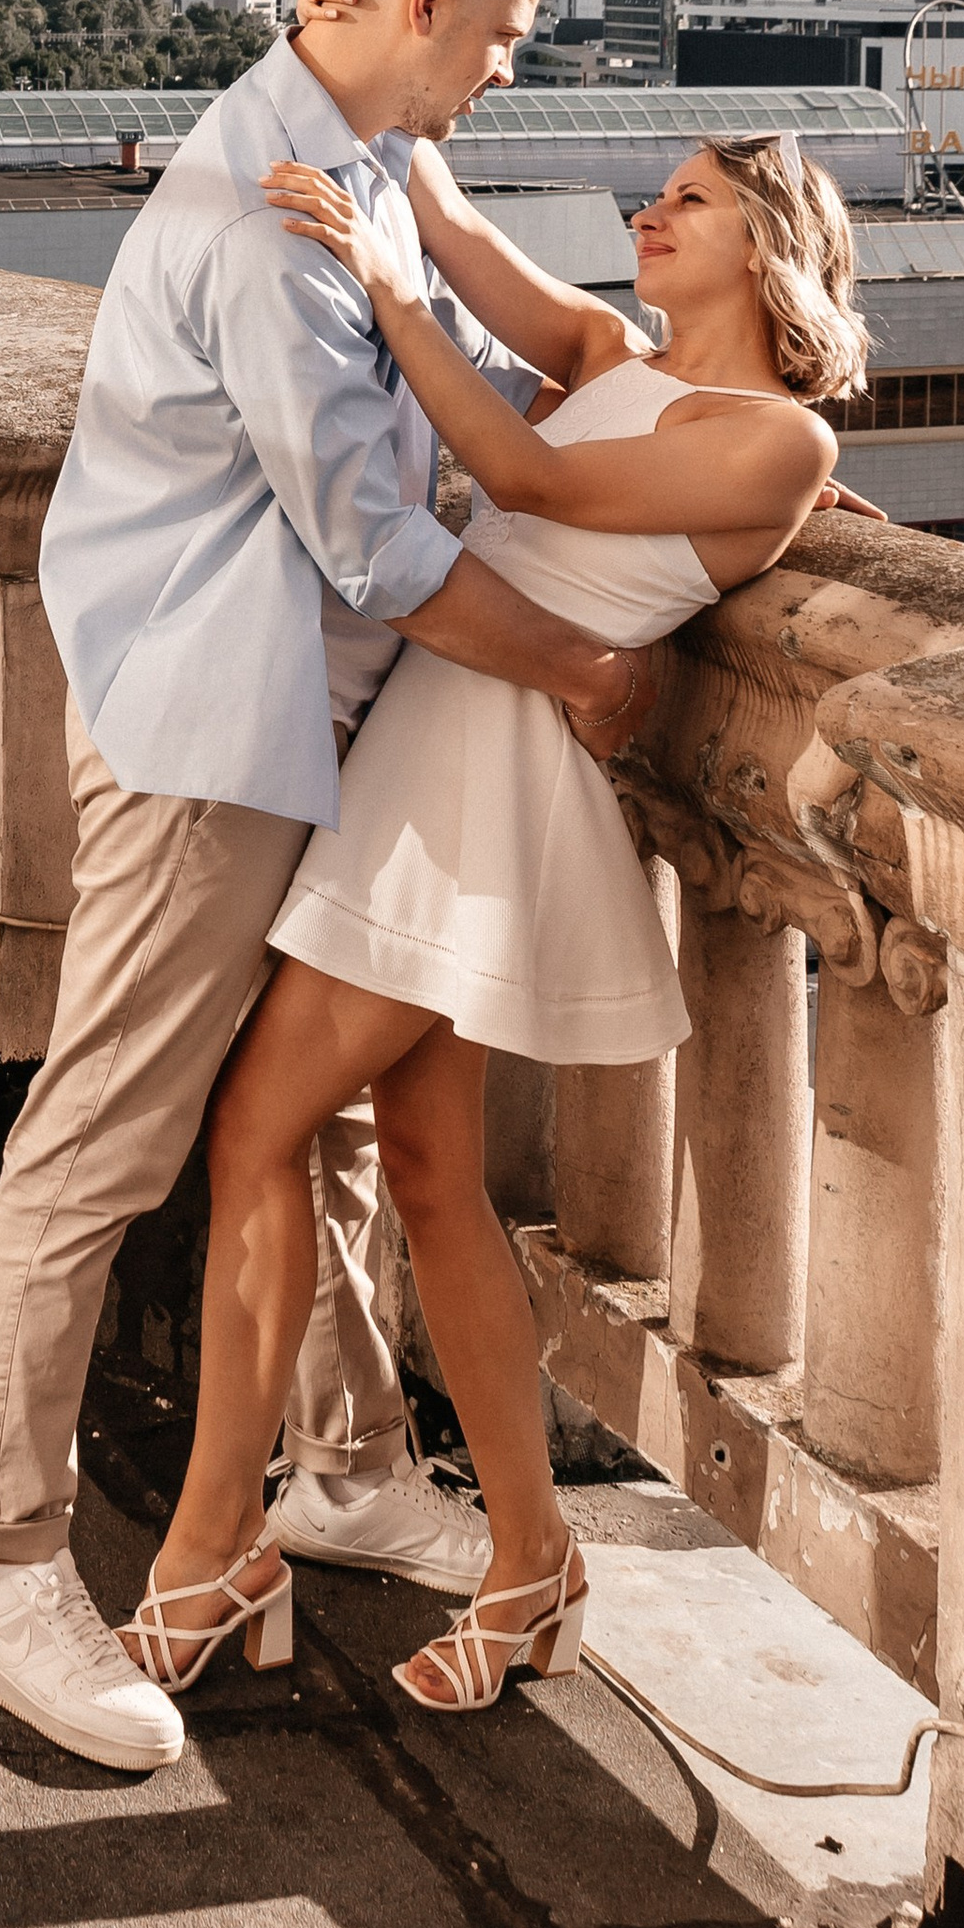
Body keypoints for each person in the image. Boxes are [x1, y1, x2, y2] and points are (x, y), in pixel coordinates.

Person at [0, 0, 661, 1773]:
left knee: (320, 1116)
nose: (510, 70)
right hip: (213, 736)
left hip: (304, 724)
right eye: (506, 34)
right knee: (103, 1140)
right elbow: (377, 543)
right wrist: (585, 670)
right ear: (424, 3)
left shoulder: (377, 167)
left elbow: (505, 385)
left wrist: (735, 465)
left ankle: (341, 1466)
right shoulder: (275, 217)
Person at [121, 95, 867, 1722]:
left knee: (256, 1127)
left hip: (483, 782)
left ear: (770, 243)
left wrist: (388, 288)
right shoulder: (608, 351)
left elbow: (516, 467)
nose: (649, 215)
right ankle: (530, 1563)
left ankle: (210, 1552)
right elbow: (448, 211)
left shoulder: (781, 442)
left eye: (687, 199)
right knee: (430, 1170)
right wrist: (380, 78)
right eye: (657, 193)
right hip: (431, 747)